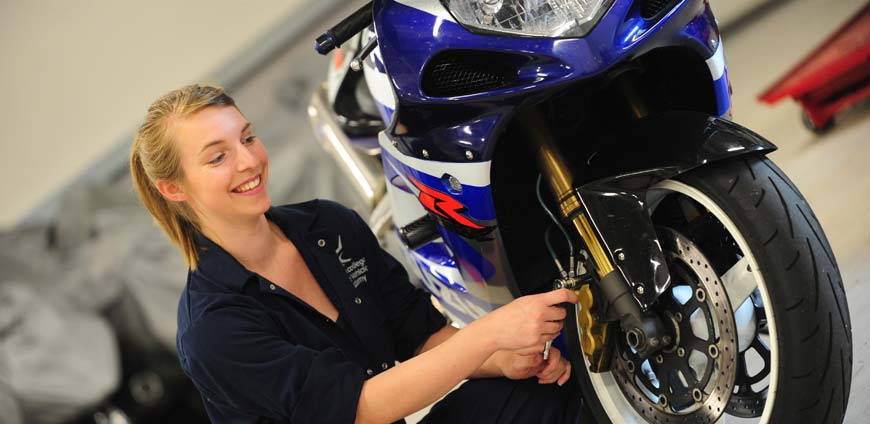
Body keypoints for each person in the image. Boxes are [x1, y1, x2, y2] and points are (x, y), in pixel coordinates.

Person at [130, 84, 587, 424]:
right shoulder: (214, 328)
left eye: (247, 139)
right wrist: (488, 337)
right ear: (173, 189)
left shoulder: (328, 227)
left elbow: (419, 336)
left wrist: (502, 359)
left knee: (558, 396)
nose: (249, 162)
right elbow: (360, 407)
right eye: (217, 158)